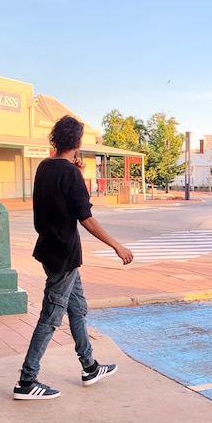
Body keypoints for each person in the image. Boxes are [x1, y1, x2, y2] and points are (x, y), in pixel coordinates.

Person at [14, 115, 134, 400]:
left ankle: (89, 366)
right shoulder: (69, 173)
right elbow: (86, 218)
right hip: (63, 255)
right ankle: (26, 381)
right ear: (78, 142)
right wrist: (116, 245)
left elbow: (58, 200)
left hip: (49, 249)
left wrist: (75, 171)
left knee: (77, 307)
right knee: (51, 317)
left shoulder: (46, 166)